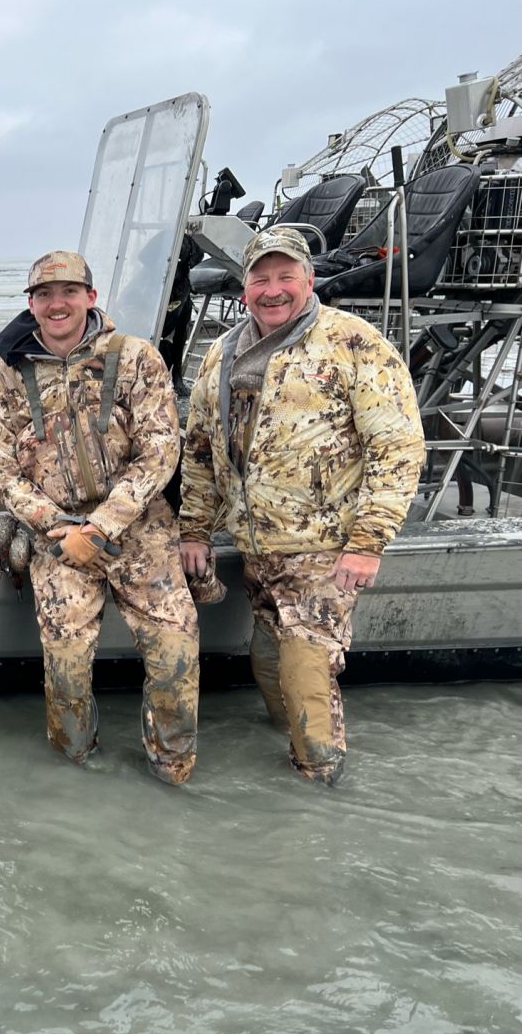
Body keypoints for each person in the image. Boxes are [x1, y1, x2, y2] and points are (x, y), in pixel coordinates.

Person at [179, 227, 425, 785]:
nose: (273, 290)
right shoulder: (224, 351)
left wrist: (366, 544)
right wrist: (194, 530)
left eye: (285, 276)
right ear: (244, 288)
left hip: (324, 550)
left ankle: (322, 791)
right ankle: (285, 791)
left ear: (308, 280)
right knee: (269, 666)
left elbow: (399, 447)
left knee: (306, 671)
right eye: (260, 278)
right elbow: (199, 450)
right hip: (259, 551)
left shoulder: (353, 343)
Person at [0, 251, 199, 784]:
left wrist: (103, 524)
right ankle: (76, 769)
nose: (58, 304)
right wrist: (59, 527)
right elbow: (1, 467)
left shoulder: (136, 358)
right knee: (66, 663)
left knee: (174, 652)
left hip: (139, 529)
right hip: (59, 536)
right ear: (31, 305)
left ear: (91, 297)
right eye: (45, 295)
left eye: (69, 292)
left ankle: (173, 769)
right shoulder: (10, 369)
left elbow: (160, 451)